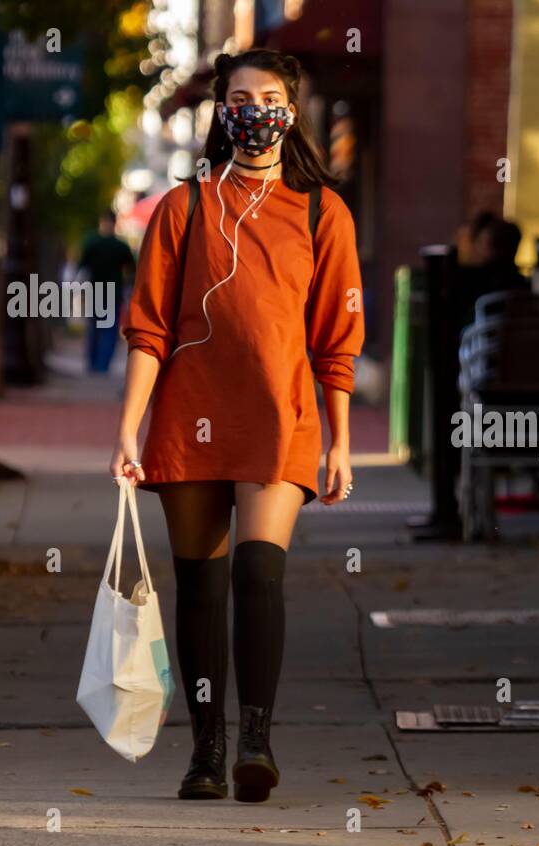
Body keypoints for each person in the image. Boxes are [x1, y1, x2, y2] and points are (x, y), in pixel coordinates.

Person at [112, 49, 364, 802]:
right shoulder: (183, 207)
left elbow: (336, 340)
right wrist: (129, 429)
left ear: (293, 109)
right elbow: (149, 329)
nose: (256, 110)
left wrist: (344, 439)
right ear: (221, 111)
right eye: (241, 97)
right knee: (200, 586)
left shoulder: (324, 211)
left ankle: (256, 737)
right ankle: (204, 750)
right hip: (188, 415)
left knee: (259, 574)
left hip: (280, 419)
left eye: (271, 96)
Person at [79, 210, 135, 373]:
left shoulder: (92, 243)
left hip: (95, 290)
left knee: (94, 328)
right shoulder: (120, 246)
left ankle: (93, 363)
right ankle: (103, 364)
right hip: (113, 291)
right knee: (109, 330)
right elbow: (132, 269)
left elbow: (82, 267)